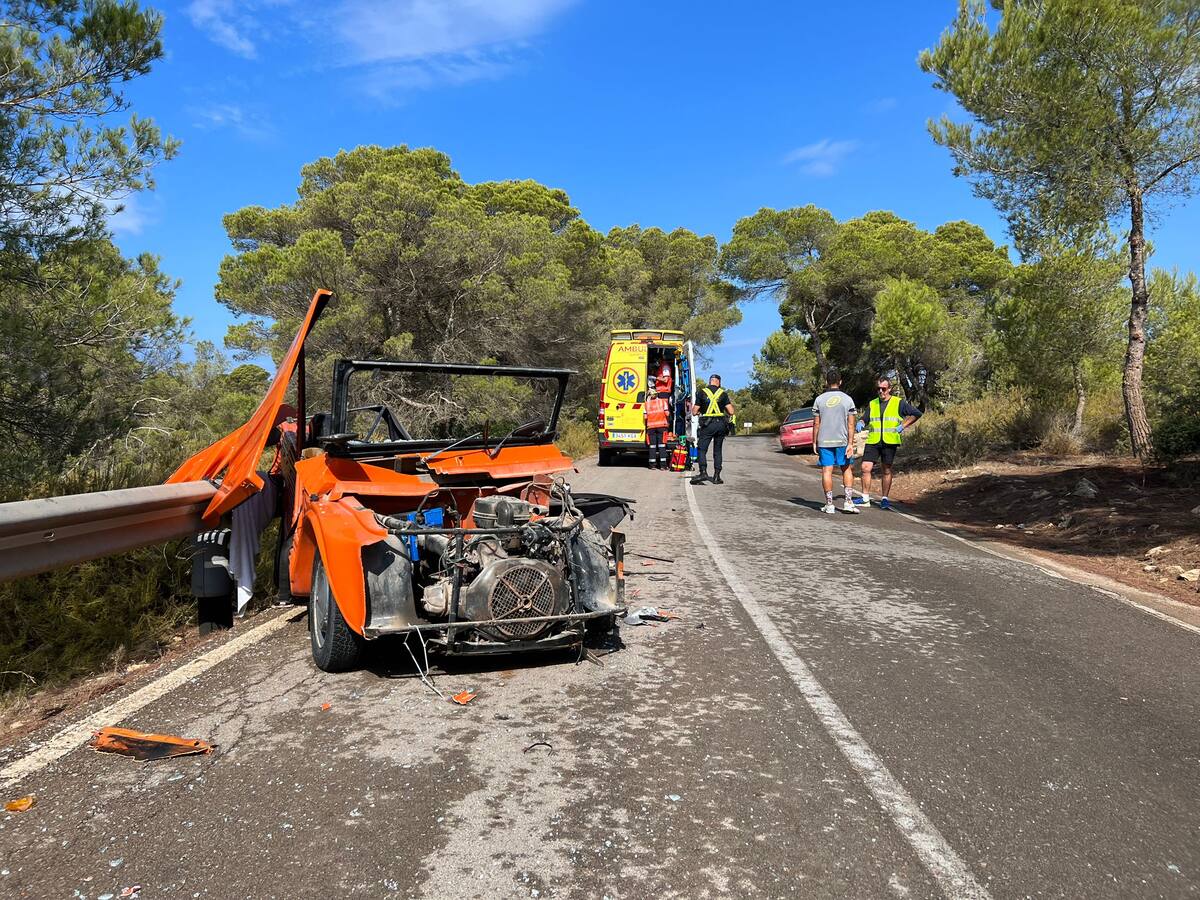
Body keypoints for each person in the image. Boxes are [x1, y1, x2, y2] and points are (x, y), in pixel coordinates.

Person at [856, 376, 921, 510]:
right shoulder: (873, 403)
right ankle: (865, 498)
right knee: (865, 468)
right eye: (878, 389)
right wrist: (861, 422)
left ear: (889, 389)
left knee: (886, 470)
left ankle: (884, 498)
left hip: (889, 441)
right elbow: (865, 418)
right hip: (873, 440)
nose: (881, 391)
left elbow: (916, 413)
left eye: (883, 389)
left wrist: (903, 425)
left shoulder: (899, 403)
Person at [810, 369, 858, 515]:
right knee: (846, 469)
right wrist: (851, 443)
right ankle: (848, 502)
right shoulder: (848, 399)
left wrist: (814, 442)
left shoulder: (819, 400)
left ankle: (829, 504)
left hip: (825, 440)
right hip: (842, 440)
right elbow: (851, 424)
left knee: (827, 471)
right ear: (840, 381)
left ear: (826, 382)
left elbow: (816, 424)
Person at [690, 374, 735, 485]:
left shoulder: (702, 392)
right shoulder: (723, 393)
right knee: (717, 450)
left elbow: (694, 411)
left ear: (710, 381)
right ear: (718, 382)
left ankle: (703, 472)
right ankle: (716, 476)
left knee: (701, 449)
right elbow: (731, 411)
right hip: (721, 425)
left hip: (707, 425)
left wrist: (702, 412)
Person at [644, 387, 671, 469]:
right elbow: (667, 414)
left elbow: (645, 417)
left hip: (651, 427)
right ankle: (663, 466)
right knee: (662, 446)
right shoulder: (663, 402)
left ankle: (652, 465)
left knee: (652, 446)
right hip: (662, 426)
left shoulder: (646, 404)